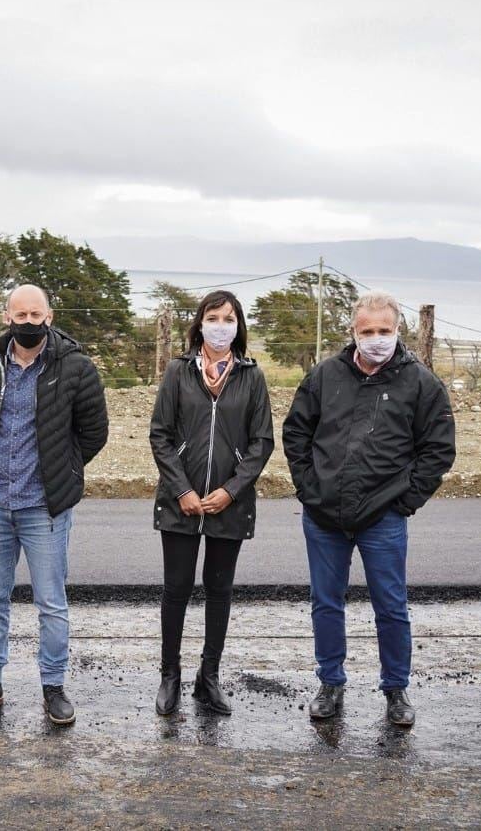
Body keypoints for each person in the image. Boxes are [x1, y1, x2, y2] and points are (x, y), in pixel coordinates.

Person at [282, 290, 455, 727]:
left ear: (399, 329)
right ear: (353, 332)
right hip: (324, 516)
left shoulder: (421, 383)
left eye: (384, 330)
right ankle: (330, 684)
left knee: (391, 606)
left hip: (384, 518)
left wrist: (404, 502)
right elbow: (296, 434)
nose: (376, 338)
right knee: (325, 602)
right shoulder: (325, 376)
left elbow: (438, 450)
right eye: (367, 331)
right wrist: (309, 488)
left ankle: (396, 690)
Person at [0, 284, 108, 726]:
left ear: (49, 317)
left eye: (36, 314)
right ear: (7, 316)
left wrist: (63, 470)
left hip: (45, 508)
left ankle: (53, 687)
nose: (29, 322)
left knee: (51, 602)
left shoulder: (76, 368)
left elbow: (94, 433)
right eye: (21, 314)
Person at [148, 290, 274, 716]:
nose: (221, 325)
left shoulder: (252, 377)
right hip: (179, 502)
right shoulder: (178, 371)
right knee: (176, 589)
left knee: (219, 590)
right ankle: (170, 676)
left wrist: (232, 489)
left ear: (239, 325)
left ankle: (210, 677)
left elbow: (262, 443)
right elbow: (161, 436)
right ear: (199, 323)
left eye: (229, 318)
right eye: (213, 317)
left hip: (229, 504)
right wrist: (182, 490)